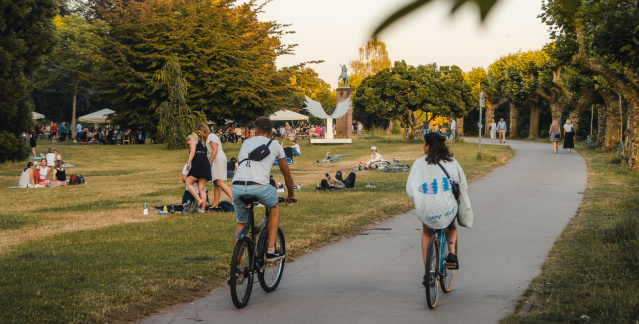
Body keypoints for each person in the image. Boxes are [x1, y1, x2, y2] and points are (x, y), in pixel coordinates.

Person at [406, 132, 471, 282]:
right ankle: (452, 253)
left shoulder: (418, 164)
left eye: (424, 144)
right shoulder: (452, 162)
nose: (423, 146)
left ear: (428, 146)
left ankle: (428, 272)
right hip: (447, 207)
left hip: (427, 208)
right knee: (452, 225)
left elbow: (411, 188)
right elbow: (463, 184)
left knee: (427, 233)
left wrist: (419, 201)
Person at [232, 117, 296, 261]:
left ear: (255, 130)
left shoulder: (246, 143)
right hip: (259, 186)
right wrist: (291, 195)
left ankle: (235, 267)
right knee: (274, 206)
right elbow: (287, 177)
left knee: (242, 223)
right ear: (271, 131)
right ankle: (271, 250)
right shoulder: (275, 145)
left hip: (237, 186)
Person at [198, 124, 232, 208]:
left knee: (219, 181)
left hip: (218, 158)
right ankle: (215, 204)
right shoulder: (206, 139)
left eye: (199, 132)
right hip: (214, 159)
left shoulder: (211, 136)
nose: (199, 134)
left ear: (203, 131)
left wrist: (209, 161)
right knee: (216, 183)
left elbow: (215, 149)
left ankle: (234, 199)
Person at [184, 133, 212, 212]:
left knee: (188, 182)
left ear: (190, 140)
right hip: (206, 165)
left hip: (198, 164)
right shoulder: (203, 144)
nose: (189, 145)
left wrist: (188, 163)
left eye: (188, 143)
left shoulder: (193, 141)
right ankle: (202, 209)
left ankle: (199, 200)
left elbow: (192, 152)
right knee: (202, 189)